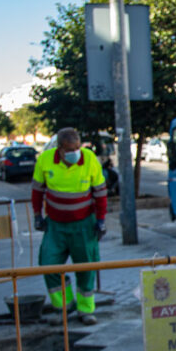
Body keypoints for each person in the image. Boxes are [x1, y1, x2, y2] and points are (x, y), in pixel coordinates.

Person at [31, 127, 108, 325]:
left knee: (86, 267)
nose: (75, 153)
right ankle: (64, 306)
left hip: (83, 224)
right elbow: (37, 191)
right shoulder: (45, 160)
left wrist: (101, 220)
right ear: (59, 149)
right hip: (56, 225)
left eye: (77, 148)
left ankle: (86, 309)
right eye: (69, 149)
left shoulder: (89, 159)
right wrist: (37, 215)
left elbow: (100, 192)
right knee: (48, 264)